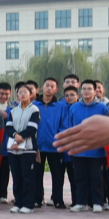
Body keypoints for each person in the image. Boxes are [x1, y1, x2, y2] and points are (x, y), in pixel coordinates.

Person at [68, 80, 109, 212]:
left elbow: (107, 127)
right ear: (81, 91)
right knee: (80, 177)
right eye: (84, 89)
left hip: (96, 149)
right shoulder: (74, 107)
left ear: (95, 91)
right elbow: (70, 126)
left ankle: (97, 202)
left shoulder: (102, 108)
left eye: (89, 89)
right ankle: (81, 202)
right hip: (78, 148)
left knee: (96, 177)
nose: (86, 91)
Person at [5, 85, 40, 214]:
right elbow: (8, 127)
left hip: (28, 149)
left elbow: (32, 128)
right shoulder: (13, 111)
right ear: (17, 95)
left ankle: (28, 204)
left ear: (31, 94)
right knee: (16, 176)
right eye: (20, 93)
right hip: (13, 148)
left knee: (28, 177)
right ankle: (18, 202)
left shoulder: (34, 110)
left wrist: (21, 136)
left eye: (25, 92)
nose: (23, 95)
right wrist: (15, 136)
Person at [34, 78, 68, 209]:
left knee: (58, 175)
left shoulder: (61, 106)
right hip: (38, 146)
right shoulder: (35, 105)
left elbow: (64, 125)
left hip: (55, 146)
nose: (49, 88)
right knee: (37, 174)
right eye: (47, 85)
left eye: (52, 86)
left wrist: (58, 139)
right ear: (42, 87)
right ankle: (37, 199)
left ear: (56, 89)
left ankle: (58, 199)